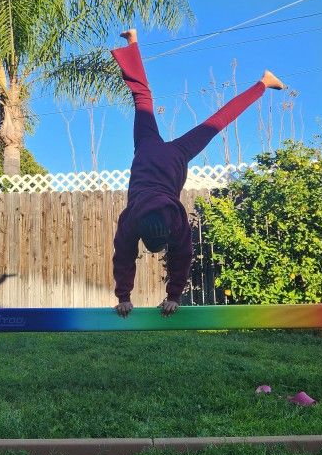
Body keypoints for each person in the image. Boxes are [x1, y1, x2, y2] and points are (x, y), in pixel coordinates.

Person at [111, 28, 284, 317]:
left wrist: (129, 296)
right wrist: (161, 296)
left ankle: (264, 82)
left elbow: (130, 256)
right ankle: (133, 42)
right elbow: (164, 256)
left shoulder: (149, 220)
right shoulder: (148, 219)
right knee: (143, 98)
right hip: (147, 151)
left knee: (217, 123)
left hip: (173, 157)